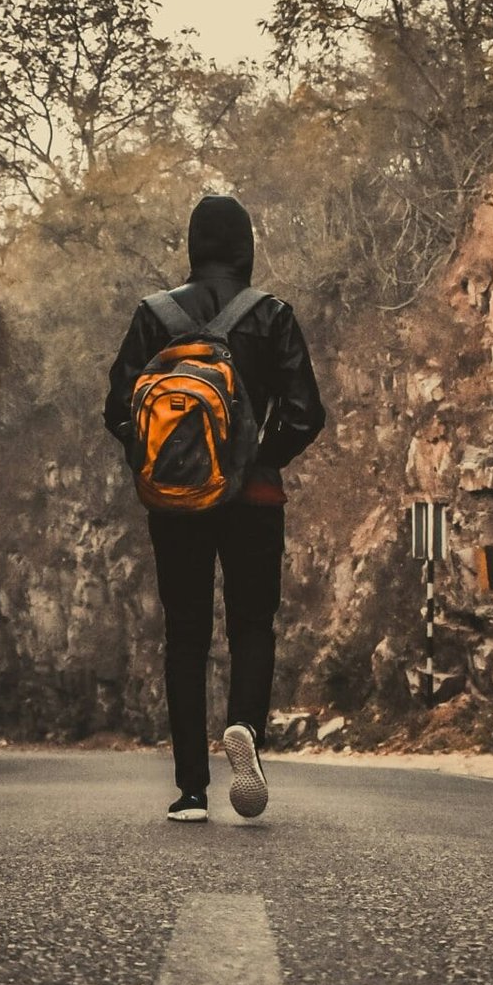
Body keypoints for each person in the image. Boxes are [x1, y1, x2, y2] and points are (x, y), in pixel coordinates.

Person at [104, 194, 326, 823]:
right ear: (247, 248)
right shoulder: (272, 315)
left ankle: (191, 792)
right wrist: (259, 461)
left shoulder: (153, 316)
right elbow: (308, 412)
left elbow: (117, 410)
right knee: (252, 621)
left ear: (193, 246)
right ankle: (246, 728)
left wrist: (159, 466)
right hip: (253, 498)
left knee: (185, 636)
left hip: (175, 502)